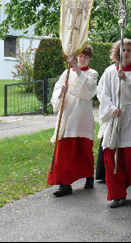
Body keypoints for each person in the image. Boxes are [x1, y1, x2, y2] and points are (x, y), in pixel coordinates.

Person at [97, 39, 131, 208]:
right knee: (112, 156)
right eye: (122, 50)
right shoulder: (110, 71)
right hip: (114, 117)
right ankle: (117, 195)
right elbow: (102, 92)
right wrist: (111, 109)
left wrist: (126, 80)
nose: (125, 53)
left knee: (130, 156)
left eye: (128, 50)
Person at [47, 46, 98, 197]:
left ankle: (89, 175)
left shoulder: (92, 73)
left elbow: (88, 89)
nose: (82, 58)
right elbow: (57, 88)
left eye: (85, 56)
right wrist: (60, 93)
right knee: (63, 151)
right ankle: (64, 183)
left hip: (81, 116)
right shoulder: (67, 72)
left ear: (89, 58)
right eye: (80, 56)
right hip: (67, 114)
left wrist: (75, 65)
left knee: (83, 150)